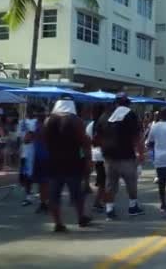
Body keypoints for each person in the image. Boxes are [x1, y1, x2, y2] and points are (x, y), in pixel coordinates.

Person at [42, 97, 92, 232]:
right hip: (73, 161)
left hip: (53, 161)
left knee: (54, 195)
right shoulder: (76, 121)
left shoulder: (48, 121)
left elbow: (44, 141)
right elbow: (84, 142)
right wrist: (88, 159)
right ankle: (81, 218)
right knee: (77, 193)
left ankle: (58, 223)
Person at [96, 93, 145, 220]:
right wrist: (140, 153)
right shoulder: (131, 115)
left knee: (110, 185)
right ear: (127, 103)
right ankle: (133, 207)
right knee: (131, 183)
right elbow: (137, 136)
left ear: (115, 102)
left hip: (109, 157)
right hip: (126, 156)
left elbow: (98, 136)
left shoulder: (105, 115)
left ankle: (109, 210)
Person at [86, 104, 107, 213]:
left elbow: (88, 141)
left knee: (102, 179)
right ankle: (97, 202)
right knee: (103, 181)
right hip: (103, 156)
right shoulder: (104, 124)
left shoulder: (91, 125)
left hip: (94, 155)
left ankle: (103, 200)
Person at [32, 106, 50, 214]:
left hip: (44, 157)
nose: (37, 116)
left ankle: (45, 203)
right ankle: (44, 202)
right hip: (40, 156)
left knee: (44, 182)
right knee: (43, 182)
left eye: (39, 114)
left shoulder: (43, 127)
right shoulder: (38, 125)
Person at [17, 106, 37, 206]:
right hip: (25, 153)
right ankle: (28, 195)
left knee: (34, 175)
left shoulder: (38, 122)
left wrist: (30, 134)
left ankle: (39, 197)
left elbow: (30, 136)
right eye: (27, 110)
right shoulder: (22, 122)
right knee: (25, 175)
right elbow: (20, 137)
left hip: (35, 152)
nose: (29, 112)